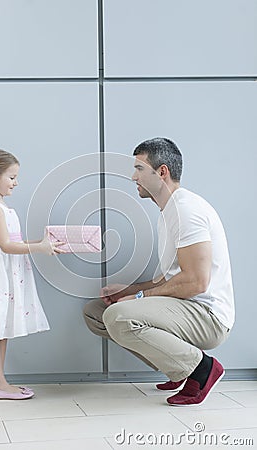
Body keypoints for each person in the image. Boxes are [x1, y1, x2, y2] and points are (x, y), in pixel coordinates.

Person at [83, 137, 235, 406]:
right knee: (96, 312)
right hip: (185, 307)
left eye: (139, 169)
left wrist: (139, 299)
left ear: (161, 171)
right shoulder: (168, 212)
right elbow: (168, 278)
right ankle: (178, 366)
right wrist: (128, 291)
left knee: (119, 316)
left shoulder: (186, 210)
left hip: (208, 316)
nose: (133, 176)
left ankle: (202, 369)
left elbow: (196, 282)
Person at [0, 148, 64, 400]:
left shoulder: (1, 206)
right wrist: (38, 247)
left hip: (6, 270)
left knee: (1, 327)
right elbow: (5, 246)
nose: (16, 182)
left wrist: (41, 241)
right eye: (12, 177)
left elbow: (12, 241)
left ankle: (0, 382)